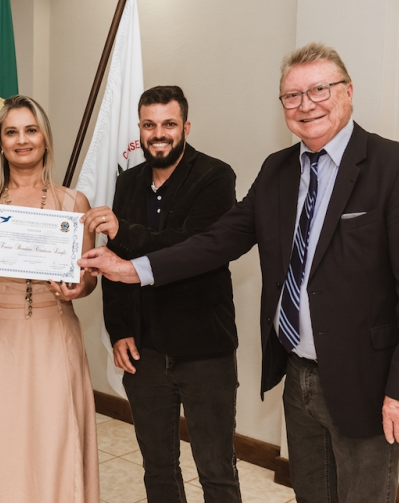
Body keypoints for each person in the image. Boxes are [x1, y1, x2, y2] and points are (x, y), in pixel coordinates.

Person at [79, 42, 399, 503]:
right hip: (297, 375)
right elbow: (217, 241)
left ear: (348, 91)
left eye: (319, 89)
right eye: (292, 96)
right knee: (310, 495)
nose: (306, 105)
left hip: (365, 380)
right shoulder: (278, 171)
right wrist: (134, 270)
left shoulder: (396, 167)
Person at [81, 85, 241, 502]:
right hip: (145, 353)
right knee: (158, 467)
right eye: (149, 125)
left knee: (217, 470)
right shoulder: (128, 182)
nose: (158, 134)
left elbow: (194, 248)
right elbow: (113, 262)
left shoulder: (215, 177)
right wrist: (119, 330)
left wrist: (124, 230)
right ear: (139, 129)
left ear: (185, 127)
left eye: (169, 124)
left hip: (204, 351)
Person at [0, 94, 100, 503]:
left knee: (54, 433)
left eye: (31, 130)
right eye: (11, 132)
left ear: (46, 139)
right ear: (0, 143)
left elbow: (87, 278)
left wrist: (80, 287)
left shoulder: (74, 203)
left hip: (55, 334)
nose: (22, 140)